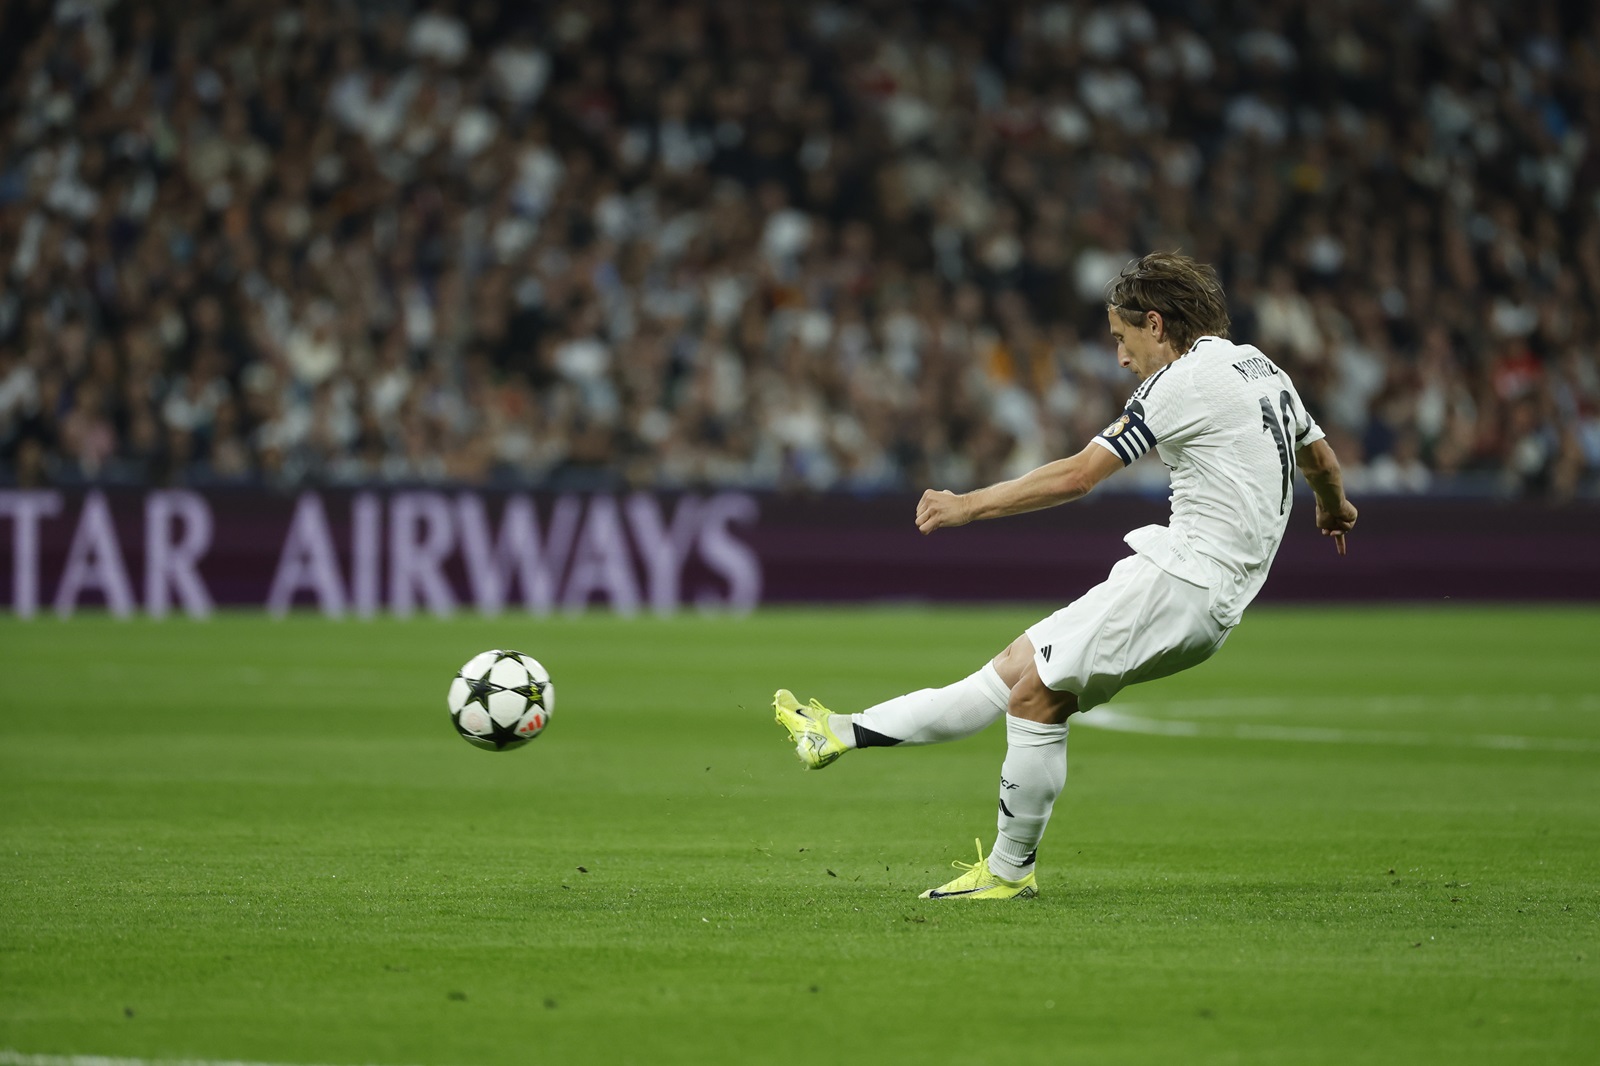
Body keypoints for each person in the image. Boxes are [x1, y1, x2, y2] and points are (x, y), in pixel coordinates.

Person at [774, 252, 1359, 899]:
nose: (1120, 357)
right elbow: (1322, 461)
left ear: (1157, 324)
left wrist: (969, 504)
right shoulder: (1263, 368)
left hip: (1184, 582)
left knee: (1037, 699)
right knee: (1013, 669)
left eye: (1121, 337)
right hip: (1188, 581)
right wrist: (1333, 511)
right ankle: (837, 733)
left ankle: (1007, 873)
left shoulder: (1183, 382)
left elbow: (1081, 474)